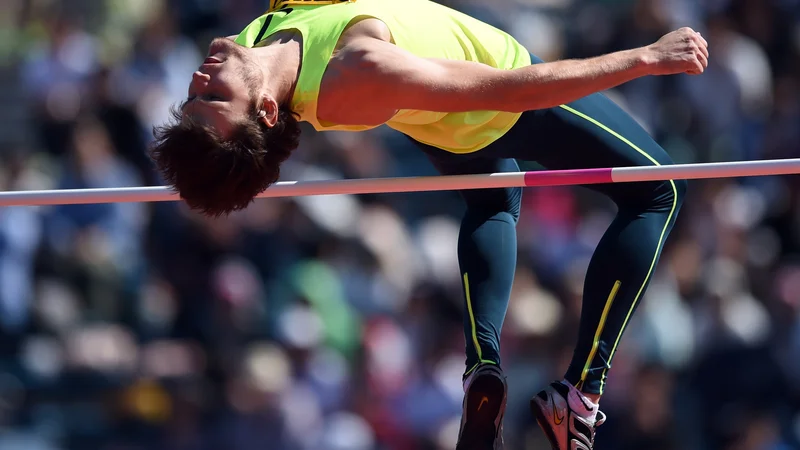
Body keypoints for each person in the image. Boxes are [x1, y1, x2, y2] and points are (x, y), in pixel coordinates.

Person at [150, 0, 708, 448]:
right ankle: (581, 393)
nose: (201, 77)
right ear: (266, 111)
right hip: (496, 96)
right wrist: (646, 57)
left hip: (442, 120)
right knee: (659, 191)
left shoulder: (262, 32)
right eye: (215, 96)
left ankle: (483, 366)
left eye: (196, 94)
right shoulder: (355, 71)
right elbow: (515, 88)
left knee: (493, 203)